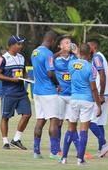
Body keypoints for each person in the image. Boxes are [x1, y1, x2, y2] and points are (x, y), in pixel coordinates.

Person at [60, 43, 101, 166]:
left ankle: (64, 158)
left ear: (80, 52)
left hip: (74, 99)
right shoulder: (90, 67)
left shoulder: (71, 64)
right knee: (83, 130)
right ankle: (80, 159)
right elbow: (93, 89)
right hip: (87, 100)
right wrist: (98, 105)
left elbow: (78, 61)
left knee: (70, 129)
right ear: (89, 54)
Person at [0, 35, 32, 150]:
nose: (21, 46)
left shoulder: (21, 57)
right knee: (6, 117)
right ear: (11, 45)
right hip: (8, 92)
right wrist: (12, 79)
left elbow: (24, 71)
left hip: (21, 92)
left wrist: (27, 78)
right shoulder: (3, 58)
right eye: (18, 44)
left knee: (27, 114)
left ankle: (16, 139)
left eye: (21, 44)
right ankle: (5, 141)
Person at [31, 30, 61, 159]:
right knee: (54, 121)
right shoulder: (48, 54)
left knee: (40, 121)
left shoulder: (35, 52)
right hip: (48, 92)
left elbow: (43, 65)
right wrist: (57, 84)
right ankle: (54, 152)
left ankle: (36, 152)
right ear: (53, 41)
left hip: (37, 91)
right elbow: (50, 73)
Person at [54, 35, 79, 156]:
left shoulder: (75, 58)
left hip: (73, 95)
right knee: (58, 122)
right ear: (60, 45)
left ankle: (80, 149)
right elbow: (47, 66)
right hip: (60, 95)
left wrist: (77, 53)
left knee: (72, 121)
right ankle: (57, 148)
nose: (69, 44)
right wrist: (59, 53)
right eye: (66, 43)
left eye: (70, 42)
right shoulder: (56, 59)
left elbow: (84, 65)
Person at [87, 38, 108, 158]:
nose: (88, 49)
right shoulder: (100, 56)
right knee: (100, 122)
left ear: (93, 47)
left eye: (89, 47)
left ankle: (104, 143)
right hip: (106, 92)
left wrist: (100, 94)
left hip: (102, 94)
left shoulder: (97, 57)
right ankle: (101, 149)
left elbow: (101, 75)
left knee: (90, 121)